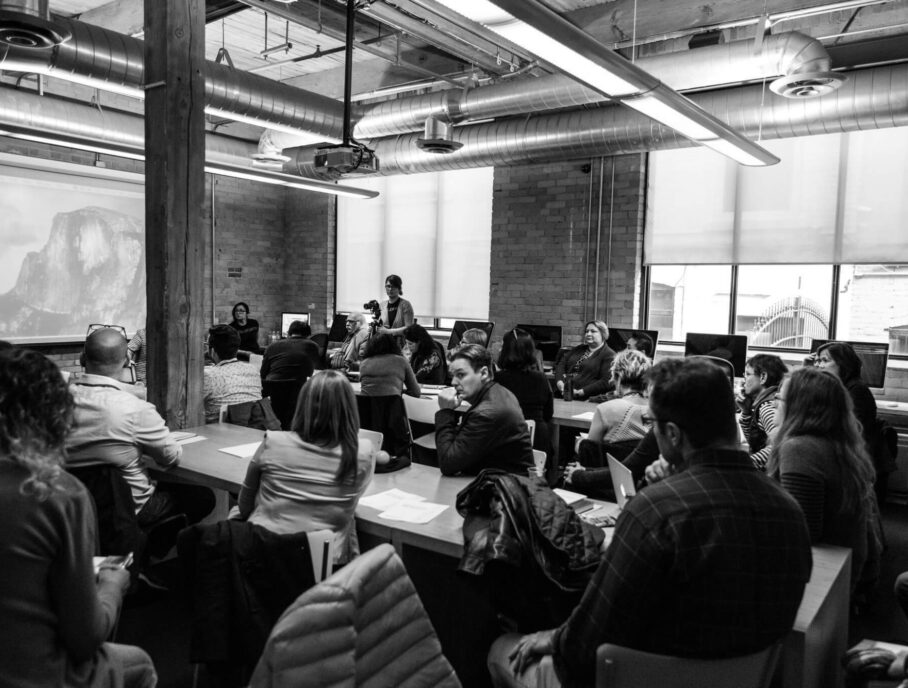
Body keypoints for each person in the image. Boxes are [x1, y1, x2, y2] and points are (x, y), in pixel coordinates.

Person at [488, 358, 813, 688]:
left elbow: (586, 643)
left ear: (672, 434)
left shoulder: (656, 512)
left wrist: (551, 639)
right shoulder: (790, 511)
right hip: (746, 677)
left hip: (639, 678)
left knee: (501, 650)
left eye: (653, 424)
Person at [0, 347, 157, 688]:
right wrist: (114, 586)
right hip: (35, 674)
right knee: (141, 663)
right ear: (52, 415)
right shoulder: (56, 495)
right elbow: (86, 637)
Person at [67, 328, 214, 532]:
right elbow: (170, 457)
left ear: (83, 358)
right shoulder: (136, 409)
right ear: (128, 361)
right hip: (131, 509)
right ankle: (147, 546)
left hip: (71, 508)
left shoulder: (53, 402)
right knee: (203, 497)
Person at [235, 370, 377, 564]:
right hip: (320, 566)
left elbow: (244, 507)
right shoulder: (362, 453)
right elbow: (350, 501)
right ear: (350, 408)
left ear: (303, 404)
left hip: (261, 558)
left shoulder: (273, 442)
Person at [768, 366, 876, 588]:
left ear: (798, 407)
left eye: (779, 398)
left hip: (825, 573)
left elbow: (803, 531)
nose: (773, 404)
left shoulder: (800, 448)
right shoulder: (838, 443)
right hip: (846, 562)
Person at [435, 344, 534, 476]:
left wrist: (445, 412)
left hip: (505, 491)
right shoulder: (499, 392)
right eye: (453, 375)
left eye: (461, 374)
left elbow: (448, 464)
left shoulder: (487, 413)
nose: (453, 382)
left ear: (483, 373)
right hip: (503, 484)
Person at [563, 349, 650, 485]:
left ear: (617, 377)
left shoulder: (606, 409)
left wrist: (579, 444)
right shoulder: (657, 410)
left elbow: (589, 454)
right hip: (642, 483)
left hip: (605, 483)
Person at [495, 328, 554, 457]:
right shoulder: (541, 378)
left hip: (507, 438)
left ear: (505, 351)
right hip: (538, 439)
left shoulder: (497, 379)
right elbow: (548, 413)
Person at [815, 341, 877, 451]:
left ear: (843, 363)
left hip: (851, 453)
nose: (819, 366)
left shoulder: (857, 390)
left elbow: (851, 430)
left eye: (825, 360)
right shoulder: (834, 387)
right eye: (819, 361)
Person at [203, 324, 263, 423]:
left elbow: (189, 405)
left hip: (216, 433)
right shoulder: (254, 370)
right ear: (236, 348)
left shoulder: (208, 375)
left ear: (212, 351)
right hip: (252, 431)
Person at [739, 353, 787, 470]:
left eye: (748, 374)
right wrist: (746, 412)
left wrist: (747, 465)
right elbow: (755, 442)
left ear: (763, 377)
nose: (743, 381)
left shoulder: (767, 406)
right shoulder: (766, 401)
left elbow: (779, 444)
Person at [553, 320, 615, 401]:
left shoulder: (609, 355)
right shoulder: (579, 348)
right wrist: (560, 383)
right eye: (587, 331)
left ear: (603, 334)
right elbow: (561, 365)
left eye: (593, 331)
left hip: (587, 399)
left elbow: (606, 382)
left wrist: (580, 392)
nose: (588, 334)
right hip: (563, 394)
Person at [359, 333, 421, 398]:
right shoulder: (401, 361)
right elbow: (416, 392)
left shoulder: (364, 363)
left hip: (366, 406)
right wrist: (398, 392)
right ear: (393, 345)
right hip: (393, 406)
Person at [378, 274, 415, 346]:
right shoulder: (382, 305)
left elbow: (408, 328)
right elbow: (381, 326)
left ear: (399, 288)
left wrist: (388, 331)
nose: (390, 289)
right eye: (388, 286)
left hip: (401, 344)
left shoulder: (405, 304)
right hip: (384, 343)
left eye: (393, 286)